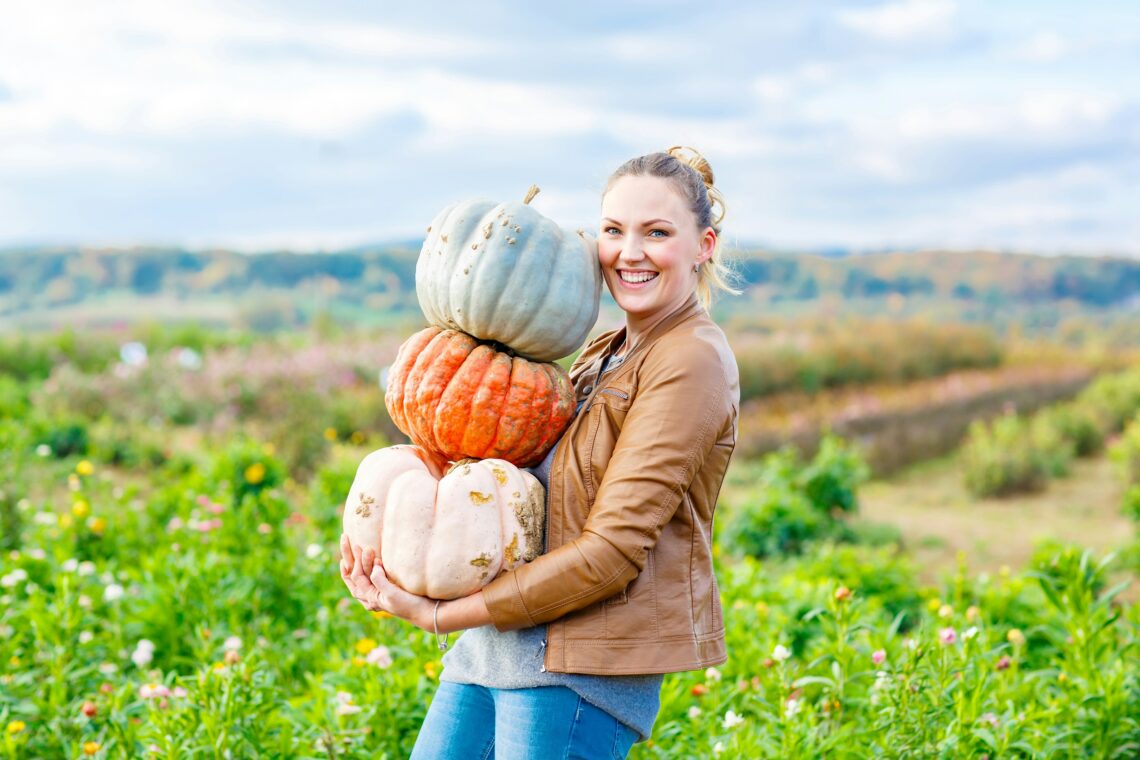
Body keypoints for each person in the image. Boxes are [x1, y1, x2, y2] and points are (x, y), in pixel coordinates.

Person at [341, 145, 741, 759]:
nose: (629, 253)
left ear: (703, 245)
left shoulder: (690, 361)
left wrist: (441, 615)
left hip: (577, 673)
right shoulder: (599, 353)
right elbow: (509, 488)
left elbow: (613, 552)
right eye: (614, 231)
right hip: (494, 651)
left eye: (656, 233)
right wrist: (399, 531)